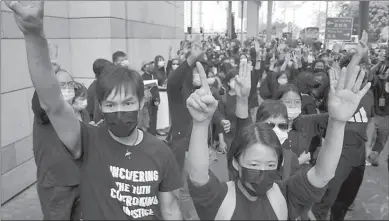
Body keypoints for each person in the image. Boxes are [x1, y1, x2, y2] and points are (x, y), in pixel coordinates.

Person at [8, 2, 182, 220]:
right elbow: (52, 104)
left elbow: (170, 209)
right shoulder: (88, 142)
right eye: (110, 105)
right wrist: (34, 35)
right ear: (100, 106)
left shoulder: (162, 152)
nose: (119, 111)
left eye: (127, 103)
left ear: (141, 102)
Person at [185, 55, 370, 220]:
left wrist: (338, 122)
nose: (262, 171)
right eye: (254, 165)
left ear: (280, 164)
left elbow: (323, 174)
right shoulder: (220, 200)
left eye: (270, 165)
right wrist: (200, 124)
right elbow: (198, 176)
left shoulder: (286, 196)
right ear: (235, 163)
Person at [312, 31, 375, 221]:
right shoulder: (339, 92)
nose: (362, 70)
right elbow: (346, 79)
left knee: (345, 200)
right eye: (358, 66)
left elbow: (370, 120)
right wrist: (357, 56)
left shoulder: (368, 93)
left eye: (365, 66)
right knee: (326, 200)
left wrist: (368, 146)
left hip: (358, 154)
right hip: (339, 152)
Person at [32, 69, 82, 221]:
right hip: (56, 185)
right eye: (61, 85)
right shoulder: (47, 112)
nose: (67, 88)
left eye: (69, 84)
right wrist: (44, 73)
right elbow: (40, 100)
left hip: (80, 181)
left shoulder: (81, 111)